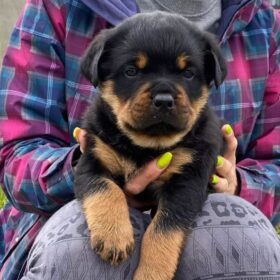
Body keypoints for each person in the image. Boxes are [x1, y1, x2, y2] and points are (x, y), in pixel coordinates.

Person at [0, 0, 279, 279]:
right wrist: (85, 168)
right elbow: (15, 154)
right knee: (81, 251)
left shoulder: (265, 22)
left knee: (240, 242)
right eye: (132, 72)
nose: (164, 98)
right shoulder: (59, 7)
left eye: (188, 73)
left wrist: (239, 184)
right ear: (100, 78)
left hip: (207, 219)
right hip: (59, 231)